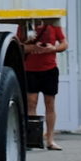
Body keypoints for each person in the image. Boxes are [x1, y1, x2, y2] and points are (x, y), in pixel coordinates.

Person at [19, 18, 67, 148]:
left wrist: (53, 48)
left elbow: (64, 44)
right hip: (30, 69)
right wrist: (33, 47)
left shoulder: (52, 25)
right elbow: (19, 46)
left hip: (49, 68)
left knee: (50, 103)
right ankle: (33, 138)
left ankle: (50, 139)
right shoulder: (25, 25)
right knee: (31, 103)